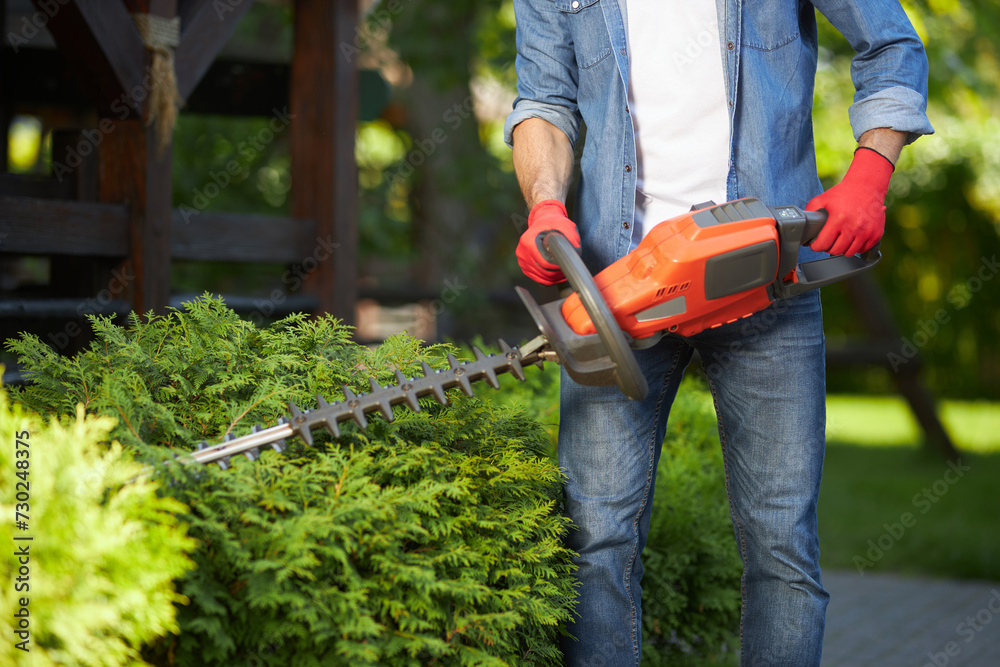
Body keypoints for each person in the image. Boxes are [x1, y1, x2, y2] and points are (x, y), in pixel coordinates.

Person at [503, 2, 933, 665]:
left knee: (781, 544)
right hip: (619, 284)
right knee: (594, 539)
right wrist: (545, 204)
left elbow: (892, 43)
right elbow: (543, 100)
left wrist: (870, 174)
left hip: (766, 274)